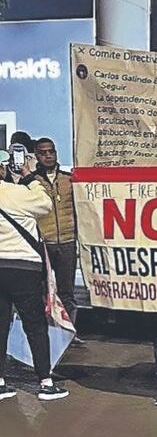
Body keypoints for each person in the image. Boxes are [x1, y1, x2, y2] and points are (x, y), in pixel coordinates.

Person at [0, 169, 68, 401]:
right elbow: (45, 204)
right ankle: (45, 382)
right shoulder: (18, 192)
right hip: (24, 267)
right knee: (35, 326)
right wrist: (29, 175)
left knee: (0, 326)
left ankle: (0, 382)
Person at [30, 138, 78, 327]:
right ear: (36, 155)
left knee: (67, 291)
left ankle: (70, 331)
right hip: (43, 242)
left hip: (67, 240)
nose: (48, 155)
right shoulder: (32, 181)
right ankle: (46, 329)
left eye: (51, 151)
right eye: (43, 152)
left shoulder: (69, 179)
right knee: (42, 290)